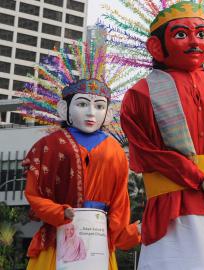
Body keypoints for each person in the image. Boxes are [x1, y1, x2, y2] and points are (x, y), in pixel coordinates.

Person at [119, 2, 204, 269]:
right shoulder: (140, 95)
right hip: (173, 210)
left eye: (201, 34)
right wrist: (198, 178)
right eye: (181, 34)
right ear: (156, 47)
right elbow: (149, 154)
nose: (194, 41)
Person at [22, 42, 141, 269]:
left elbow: (119, 201)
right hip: (60, 233)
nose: (90, 113)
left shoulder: (114, 149)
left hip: (98, 234)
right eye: (82, 104)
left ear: (107, 114)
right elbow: (34, 194)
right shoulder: (49, 145)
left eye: (98, 106)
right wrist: (59, 212)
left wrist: (128, 232)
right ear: (63, 109)